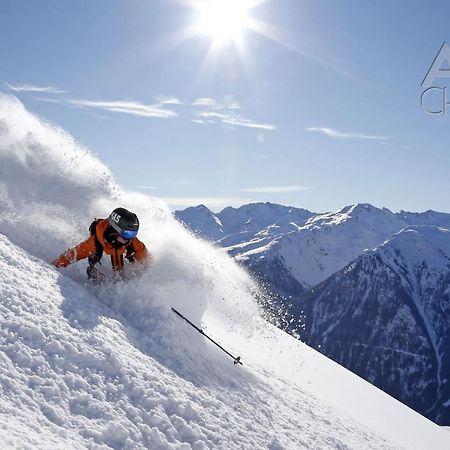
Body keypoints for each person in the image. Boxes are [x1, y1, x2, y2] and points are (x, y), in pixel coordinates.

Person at [52, 207, 151, 280]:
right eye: (127, 234)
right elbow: (71, 256)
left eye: (134, 234)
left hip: (122, 277)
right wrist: (53, 267)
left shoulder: (132, 242)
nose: (130, 238)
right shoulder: (94, 244)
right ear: (114, 230)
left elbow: (148, 261)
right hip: (101, 281)